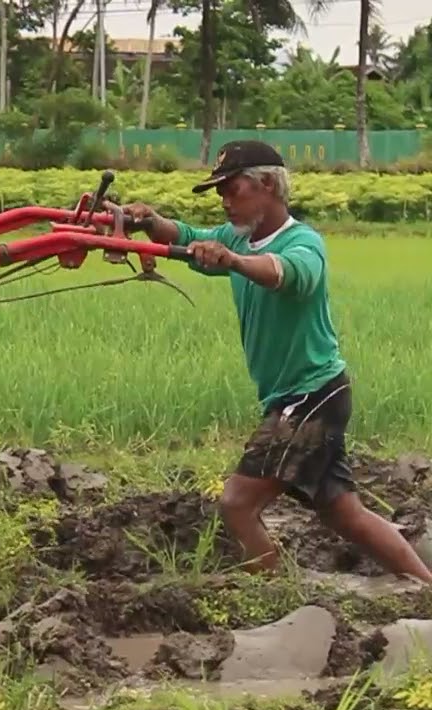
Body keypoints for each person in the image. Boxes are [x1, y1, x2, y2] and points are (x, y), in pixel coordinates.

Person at [111, 139, 432, 584]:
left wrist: (236, 261)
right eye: (219, 193)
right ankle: (425, 588)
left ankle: (276, 596)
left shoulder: (303, 242)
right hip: (303, 394)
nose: (225, 202)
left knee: (238, 503)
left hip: (312, 393)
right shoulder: (234, 238)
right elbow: (185, 237)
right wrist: (148, 221)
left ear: (267, 185)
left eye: (232, 189)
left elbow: (287, 274)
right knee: (343, 514)